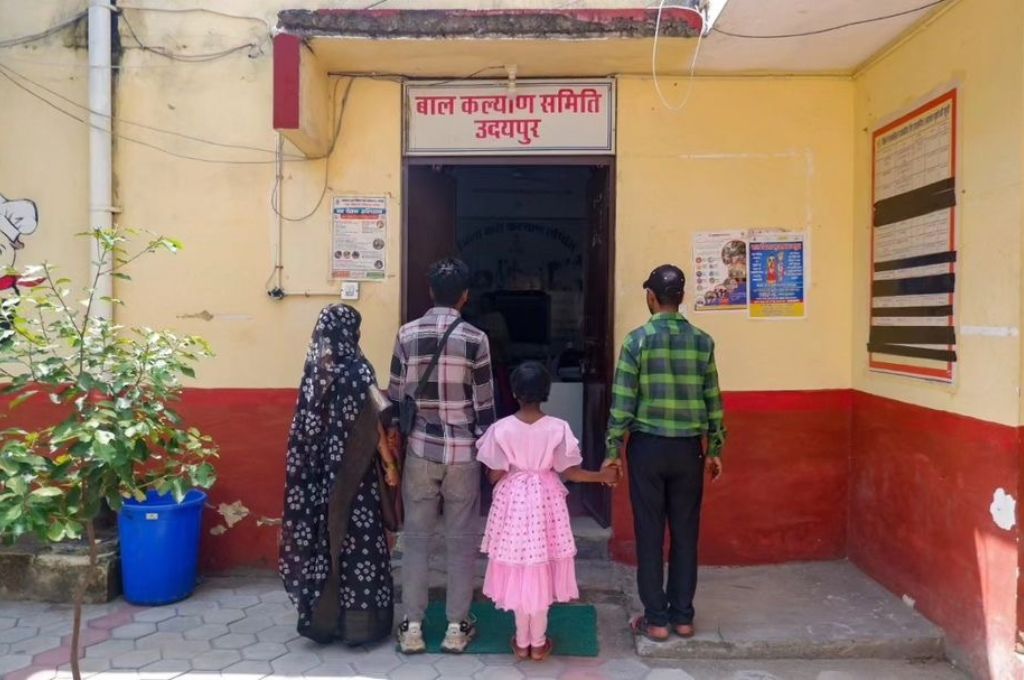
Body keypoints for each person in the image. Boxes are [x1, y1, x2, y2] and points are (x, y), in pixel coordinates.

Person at [604, 264, 725, 642]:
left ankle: (656, 619)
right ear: (682, 297)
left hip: (648, 450)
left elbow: (623, 401)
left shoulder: (637, 341)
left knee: (650, 532)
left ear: (651, 298)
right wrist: (715, 448)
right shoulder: (703, 342)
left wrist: (613, 449)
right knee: (686, 532)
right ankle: (683, 617)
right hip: (689, 450)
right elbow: (713, 401)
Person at [388, 257, 497, 654]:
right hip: (464, 453)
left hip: (420, 449)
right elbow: (485, 406)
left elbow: (397, 396)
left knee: (415, 540)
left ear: (430, 291)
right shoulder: (476, 339)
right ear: (465, 296)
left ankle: (412, 626)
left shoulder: (406, 334)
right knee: (461, 540)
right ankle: (456, 626)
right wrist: (491, 461)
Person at [478, 362, 618, 661]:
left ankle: (521, 639)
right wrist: (601, 477)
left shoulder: (500, 429)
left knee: (519, 564)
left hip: (512, 503)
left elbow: (494, 475)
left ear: (514, 393)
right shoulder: (558, 428)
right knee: (539, 565)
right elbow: (571, 472)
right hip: (546, 501)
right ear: (546, 393)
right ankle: (538, 642)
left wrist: (513, 469)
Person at [279, 304, 400, 646]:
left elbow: (302, 431)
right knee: (360, 545)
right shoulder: (360, 371)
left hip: (321, 481)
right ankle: (360, 626)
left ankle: (323, 621)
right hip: (356, 479)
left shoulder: (314, 374)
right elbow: (375, 427)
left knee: (326, 542)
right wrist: (390, 464)